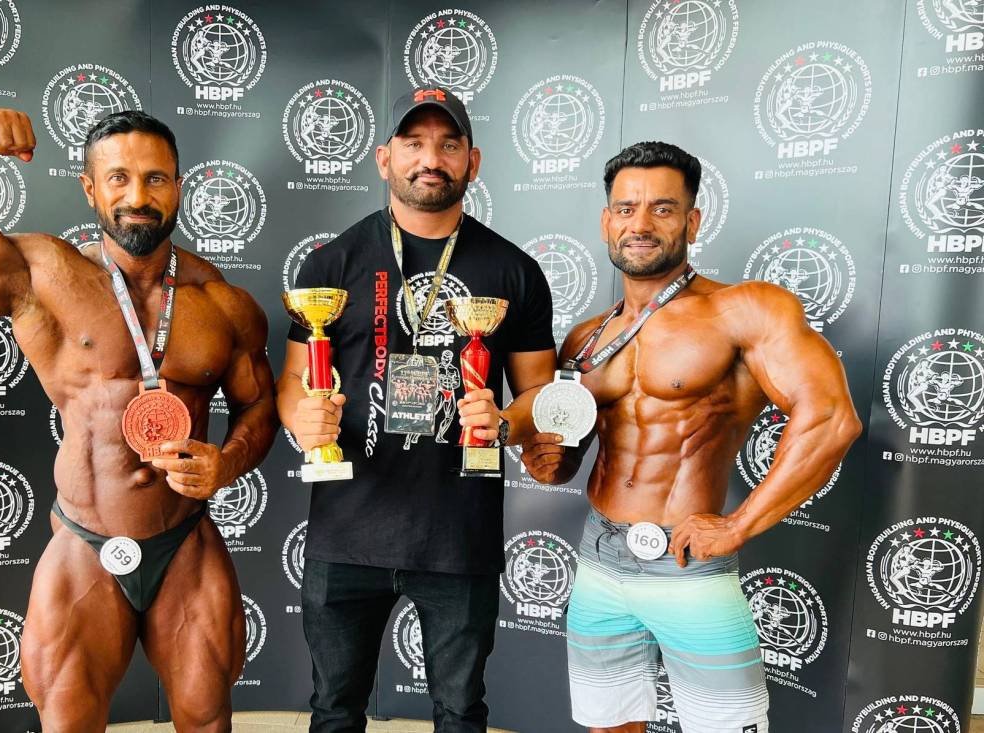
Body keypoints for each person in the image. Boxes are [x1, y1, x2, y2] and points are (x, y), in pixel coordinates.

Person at [0, 107, 278, 732]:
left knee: (206, 717)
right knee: (68, 722)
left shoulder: (223, 303)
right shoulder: (42, 274)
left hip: (185, 542)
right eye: (118, 179)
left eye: (156, 179)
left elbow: (259, 405)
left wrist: (228, 463)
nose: (138, 197)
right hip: (85, 540)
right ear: (89, 188)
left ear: (178, 187)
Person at [517, 141, 861, 733]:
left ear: (693, 221)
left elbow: (831, 417)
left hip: (687, 564)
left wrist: (739, 524)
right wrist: (545, 459)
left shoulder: (744, 309)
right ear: (606, 222)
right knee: (608, 726)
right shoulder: (586, 339)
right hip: (599, 557)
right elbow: (565, 459)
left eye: (663, 208)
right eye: (625, 209)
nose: (640, 224)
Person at [276, 87, 557, 732]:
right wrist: (300, 417)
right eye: (414, 143)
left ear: (472, 161)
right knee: (334, 711)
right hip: (348, 530)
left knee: (460, 711)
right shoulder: (331, 263)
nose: (431, 159)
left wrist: (504, 422)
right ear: (384, 159)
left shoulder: (513, 270)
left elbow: (538, 394)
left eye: (448, 144)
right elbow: (293, 381)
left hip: (458, 531)